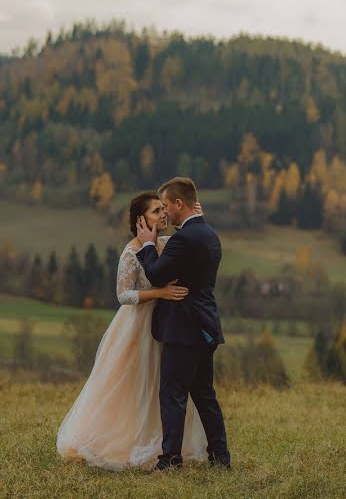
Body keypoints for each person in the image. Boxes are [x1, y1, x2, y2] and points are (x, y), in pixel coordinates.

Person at [56, 191, 208, 470]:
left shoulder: (164, 243)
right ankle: (124, 440)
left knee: (160, 387)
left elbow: (190, 241)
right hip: (137, 326)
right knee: (133, 386)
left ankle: (165, 442)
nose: (163, 214)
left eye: (164, 209)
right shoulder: (130, 253)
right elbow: (123, 295)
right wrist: (160, 293)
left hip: (165, 325)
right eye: (155, 211)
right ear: (141, 220)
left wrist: (197, 217)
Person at [135, 176, 231, 471]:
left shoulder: (184, 239)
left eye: (166, 205)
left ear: (179, 204)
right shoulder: (209, 234)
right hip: (206, 325)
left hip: (184, 329)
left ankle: (170, 460)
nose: (164, 212)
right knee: (204, 393)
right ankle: (220, 457)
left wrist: (147, 245)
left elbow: (156, 274)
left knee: (173, 394)